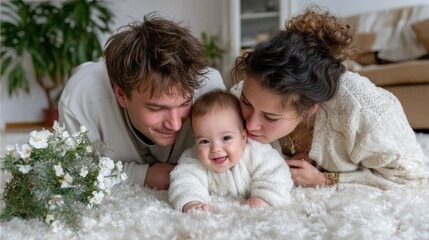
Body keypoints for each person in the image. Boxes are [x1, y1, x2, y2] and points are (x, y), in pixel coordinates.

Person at [231, 7, 428, 190]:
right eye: (246, 102)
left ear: (310, 109)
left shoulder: (365, 111)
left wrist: (326, 179)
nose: (250, 124)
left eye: (270, 117)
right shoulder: (240, 93)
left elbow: (413, 178)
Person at [59, 13, 225, 189]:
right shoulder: (81, 98)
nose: (175, 124)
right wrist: (142, 175)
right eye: (156, 108)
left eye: (184, 103)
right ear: (121, 94)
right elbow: (74, 171)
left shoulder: (210, 91)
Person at [168, 90, 293, 213]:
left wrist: (263, 198)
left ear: (243, 138)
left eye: (226, 138)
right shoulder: (194, 158)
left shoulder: (256, 152)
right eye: (204, 141)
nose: (216, 149)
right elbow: (184, 181)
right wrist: (192, 202)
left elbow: (276, 173)